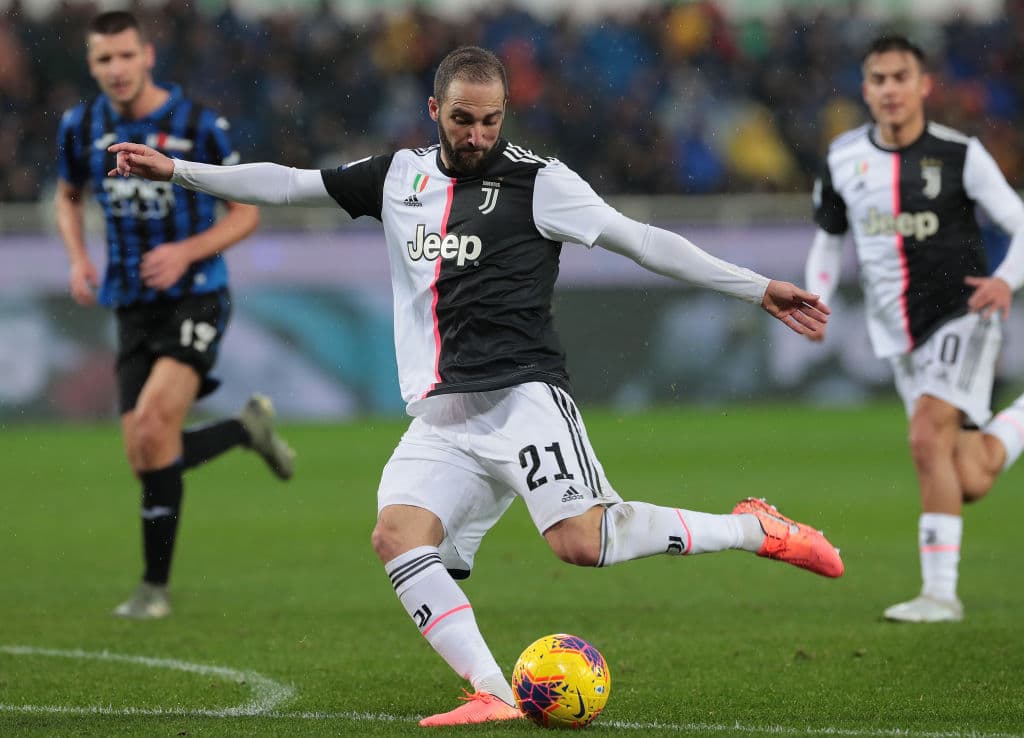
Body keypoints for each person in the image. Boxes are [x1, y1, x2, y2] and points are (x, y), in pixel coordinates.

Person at [108, 45, 842, 724]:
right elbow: (292, 185)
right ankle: (493, 693)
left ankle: (755, 529)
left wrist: (756, 289)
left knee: (581, 544)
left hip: (524, 399)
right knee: (396, 536)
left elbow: (643, 240)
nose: (479, 133)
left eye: (491, 119)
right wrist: (178, 172)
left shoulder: (540, 182)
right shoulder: (399, 177)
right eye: (463, 119)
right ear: (435, 112)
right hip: (441, 416)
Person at [55, 11, 296, 620]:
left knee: (157, 422)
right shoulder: (80, 126)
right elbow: (69, 195)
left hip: (196, 295)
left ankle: (153, 590)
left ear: (148, 55)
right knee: (144, 450)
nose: (116, 69)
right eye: (103, 60)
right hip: (131, 305)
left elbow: (245, 214)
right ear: (92, 65)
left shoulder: (199, 126)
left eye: (125, 56)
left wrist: (185, 250)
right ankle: (245, 429)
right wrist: (79, 259)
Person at [805, 35, 1024, 623]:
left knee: (927, 436)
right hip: (898, 335)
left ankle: (939, 595)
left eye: (901, 77)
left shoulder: (960, 154)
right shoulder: (843, 157)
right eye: (878, 79)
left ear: (924, 85)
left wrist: (1006, 280)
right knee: (967, 475)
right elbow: (828, 243)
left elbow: (1019, 222)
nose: (890, 89)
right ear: (866, 88)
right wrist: (817, 300)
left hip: (964, 314)